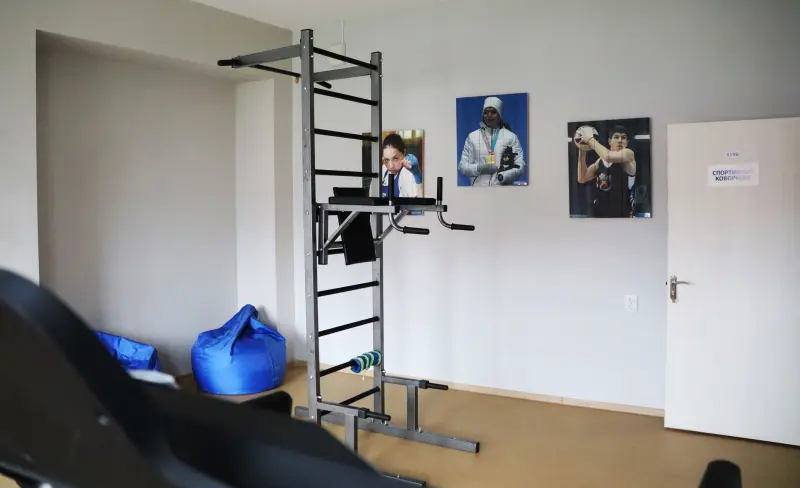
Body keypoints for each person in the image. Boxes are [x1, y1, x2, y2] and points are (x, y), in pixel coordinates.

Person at [458, 97, 526, 186]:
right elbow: (462, 166)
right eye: (486, 112)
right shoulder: (472, 137)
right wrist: (479, 168)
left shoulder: (511, 137)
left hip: (503, 191)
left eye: (493, 112)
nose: (489, 115)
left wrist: (503, 176)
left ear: (499, 115)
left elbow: (520, 165)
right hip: (478, 191)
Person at [575, 124, 637, 218]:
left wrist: (590, 139)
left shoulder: (628, 155)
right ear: (609, 141)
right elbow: (582, 178)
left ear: (627, 142)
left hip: (621, 217)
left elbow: (607, 156)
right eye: (616, 137)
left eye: (623, 138)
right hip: (599, 217)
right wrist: (582, 149)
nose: (620, 140)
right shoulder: (600, 161)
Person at [381, 134, 420, 198]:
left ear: (404, 153)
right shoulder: (383, 169)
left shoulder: (408, 174)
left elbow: (417, 202)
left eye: (395, 159)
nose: (391, 166)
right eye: (387, 160)